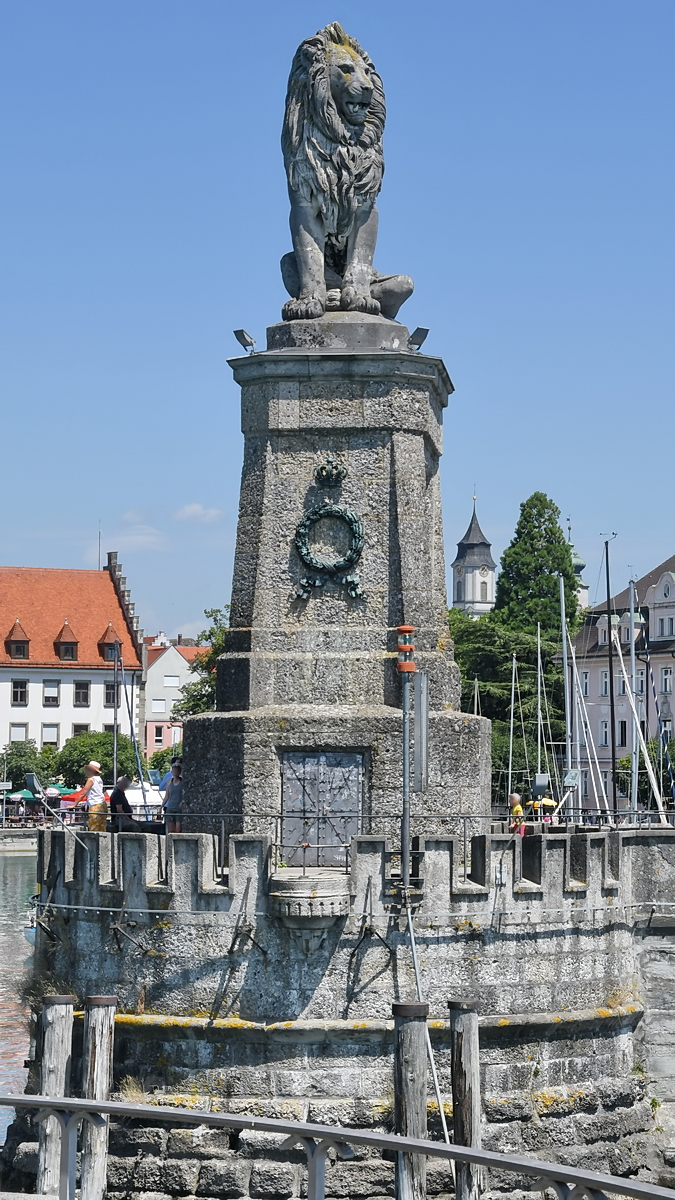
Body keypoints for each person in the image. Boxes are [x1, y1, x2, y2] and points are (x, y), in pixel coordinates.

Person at [77, 761, 108, 832]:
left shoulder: (91, 779)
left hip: (95, 806)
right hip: (102, 805)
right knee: (102, 829)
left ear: (91, 770)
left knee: (93, 829)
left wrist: (74, 804)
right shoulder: (99, 779)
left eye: (88, 769)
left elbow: (83, 793)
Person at [163, 761, 183, 833]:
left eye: (177, 770)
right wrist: (160, 807)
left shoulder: (182, 782)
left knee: (178, 830)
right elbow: (167, 796)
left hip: (178, 808)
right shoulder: (169, 781)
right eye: (174, 770)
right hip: (170, 807)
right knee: (171, 830)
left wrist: (182, 802)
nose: (175, 772)